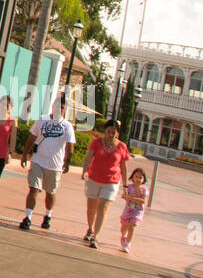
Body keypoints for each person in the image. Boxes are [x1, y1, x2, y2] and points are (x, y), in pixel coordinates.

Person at [18, 95, 75, 231]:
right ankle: (28, 217)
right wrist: (24, 155)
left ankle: (48, 215)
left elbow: (70, 145)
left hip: (54, 165)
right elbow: (31, 138)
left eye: (61, 108)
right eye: (56, 106)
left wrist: (67, 161)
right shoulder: (42, 120)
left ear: (64, 110)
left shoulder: (67, 126)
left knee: (50, 192)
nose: (58, 109)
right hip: (38, 160)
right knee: (34, 188)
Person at [80, 119, 130, 249]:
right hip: (94, 178)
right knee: (91, 208)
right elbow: (88, 157)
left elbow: (124, 167)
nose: (111, 134)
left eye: (114, 132)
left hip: (111, 181)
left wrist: (125, 185)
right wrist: (85, 171)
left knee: (103, 207)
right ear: (105, 131)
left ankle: (95, 237)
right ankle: (90, 229)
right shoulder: (96, 143)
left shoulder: (122, 147)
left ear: (117, 133)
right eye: (109, 131)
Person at [120, 167, 149, 252]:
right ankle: (123, 236)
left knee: (132, 226)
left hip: (137, 212)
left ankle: (128, 244)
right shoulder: (129, 187)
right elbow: (124, 196)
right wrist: (134, 196)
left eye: (140, 177)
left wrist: (133, 197)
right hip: (128, 210)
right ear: (132, 177)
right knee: (124, 227)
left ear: (144, 179)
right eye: (136, 176)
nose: (138, 179)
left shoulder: (144, 190)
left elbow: (143, 201)